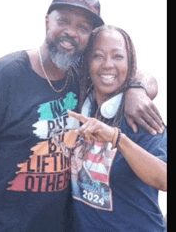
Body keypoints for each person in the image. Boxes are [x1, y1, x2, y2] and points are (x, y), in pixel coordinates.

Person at [0, 0, 164, 232]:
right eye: (63, 21)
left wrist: (136, 89)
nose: (71, 33)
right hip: (3, 225)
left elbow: (127, 71)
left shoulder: (84, 78)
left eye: (83, 28)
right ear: (47, 22)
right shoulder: (5, 75)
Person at [68, 25, 167, 231]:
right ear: (87, 63)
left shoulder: (140, 116)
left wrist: (117, 139)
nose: (107, 64)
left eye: (118, 56)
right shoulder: (79, 108)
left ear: (129, 64)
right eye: (98, 56)